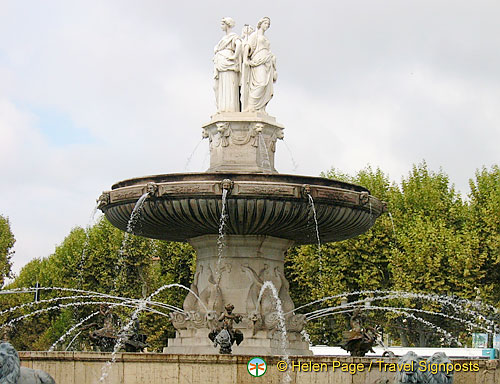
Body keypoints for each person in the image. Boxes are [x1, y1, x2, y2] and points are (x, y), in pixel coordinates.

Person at [242, 17, 277, 113]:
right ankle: (251, 105)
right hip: (258, 61)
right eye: (266, 23)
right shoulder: (255, 35)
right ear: (260, 23)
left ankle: (260, 108)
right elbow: (247, 46)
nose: (267, 26)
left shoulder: (265, 38)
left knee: (266, 85)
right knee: (260, 83)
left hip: (267, 63)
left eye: (268, 24)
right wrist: (245, 59)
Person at [213, 17, 242, 113]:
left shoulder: (233, 36)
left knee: (229, 84)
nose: (221, 26)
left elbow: (239, 44)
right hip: (221, 64)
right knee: (221, 86)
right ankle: (222, 108)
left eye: (222, 24)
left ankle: (230, 109)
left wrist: (234, 56)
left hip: (228, 63)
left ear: (227, 25)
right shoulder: (224, 38)